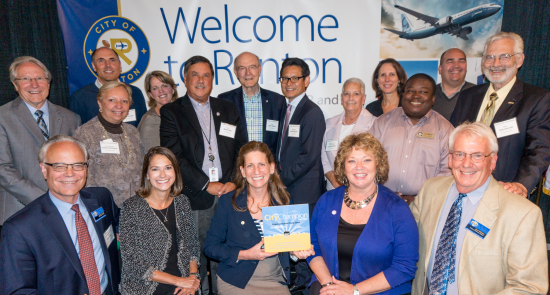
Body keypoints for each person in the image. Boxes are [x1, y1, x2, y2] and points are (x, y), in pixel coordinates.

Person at [411, 122, 548, 294]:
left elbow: (529, 287)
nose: (467, 164)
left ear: (493, 162)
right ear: (450, 159)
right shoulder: (429, 191)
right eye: (460, 154)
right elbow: (404, 243)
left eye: (477, 156)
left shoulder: (522, 214)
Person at [160, 55, 246, 295]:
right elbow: (173, 156)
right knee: (195, 253)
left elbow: (241, 147)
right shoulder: (171, 112)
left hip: (228, 193)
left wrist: (231, 181)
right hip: (195, 195)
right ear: (185, 79)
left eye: (206, 75)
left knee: (226, 248)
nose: (200, 80)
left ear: (212, 79)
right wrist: (206, 184)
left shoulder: (227, 109)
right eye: (195, 75)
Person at [0, 135, 120, 295]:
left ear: (86, 168)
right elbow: (17, 291)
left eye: (78, 165)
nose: (70, 173)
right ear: (44, 169)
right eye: (59, 166)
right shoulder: (19, 229)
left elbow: (122, 226)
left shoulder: (101, 199)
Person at [308, 133, 419, 295]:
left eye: (367, 160)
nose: (359, 167)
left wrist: (354, 291)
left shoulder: (397, 209)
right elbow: (312, 246)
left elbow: (405, 267)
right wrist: (329, 286)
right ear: (343, 166)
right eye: (352, 161)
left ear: (378, 165)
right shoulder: (326, 201)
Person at [450, 32, 550, 198]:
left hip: (505, 194)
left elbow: (539, 150)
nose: (495, 64)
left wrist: (521, 184)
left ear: (519, 60)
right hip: (462, 190)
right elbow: (452, 141)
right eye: (489, 57)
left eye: (504, 56)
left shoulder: (536, 99)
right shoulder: (467, 96)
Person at [204, 141, 309, 294]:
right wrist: (245, 254)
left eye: (261, 164)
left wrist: (295, 253)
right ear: (243, 171)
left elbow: (287, 248)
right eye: (250, 166)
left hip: (274, 279)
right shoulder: (229, 201)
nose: (256, 171)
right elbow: (210, 247)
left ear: (271, 168)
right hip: (236, 279)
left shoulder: (284, 201)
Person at [0, 56, 80, 228]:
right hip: (21, 212)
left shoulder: (71, 118)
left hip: (66, 210)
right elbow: (3, 168)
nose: (34, 85)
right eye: (26, 79)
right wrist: (46, 199)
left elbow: (78, 164)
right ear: (15, 85)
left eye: (40, 78)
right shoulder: (2, 117)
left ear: (49, 83)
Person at [119, 147, 201, 295]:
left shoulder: (182, 202)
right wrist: (178, 281)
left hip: (184, 281)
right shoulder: (132, 207)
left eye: (168, 168)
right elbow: (132, 262)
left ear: (175, 171)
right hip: (145, 286)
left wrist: (192, 278)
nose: (163, 174)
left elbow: (192, 245)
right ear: (147, 175)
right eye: (155, 169)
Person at [276, 57, 326, 294]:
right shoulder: (283, 109)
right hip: (287, 187)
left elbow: (308, 156)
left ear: (306, 81)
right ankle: (293, 280)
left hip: (302, 188)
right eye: (285, 78)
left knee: (304, 240)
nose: (289, 83)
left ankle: (305, 284)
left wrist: (279, 180)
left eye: (294, 78)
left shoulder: (312, 112)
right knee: (289, 238)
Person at [369, 74, 454, 204]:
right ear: (403, 94)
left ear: (433, 99)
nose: (415, 96)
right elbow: (367, 161)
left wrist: (419, 198)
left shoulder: (445, 129)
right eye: (410, 91)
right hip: (382, 201)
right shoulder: (382, 122)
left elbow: (448, 172)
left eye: (423, 92)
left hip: (425, 206)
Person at [74, 81, 144, 206]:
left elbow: (142, 169)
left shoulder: (133, 132)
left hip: (136, 208)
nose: (119, 105)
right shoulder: (85, 134)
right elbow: (83, 179)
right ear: (100, 103)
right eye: (112, 100)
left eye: (124, 101)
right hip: (105, 208)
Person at [218, 52, 286, 156]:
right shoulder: (225, 101)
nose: (248, 73)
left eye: (252, 67)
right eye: (242, 68)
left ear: (259, 69)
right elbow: (224, 140)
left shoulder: (277, 101)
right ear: (236, 72)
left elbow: (282, 141)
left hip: (268, 167)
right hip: (238, 168)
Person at [70, 47, 147, 126]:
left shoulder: (135, 93)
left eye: (112, 60)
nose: (108, 65)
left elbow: (143, 129)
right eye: (101, 61)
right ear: (94, 66)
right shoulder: (80, 98)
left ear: (120, 65)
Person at [322, 78, 375, 191]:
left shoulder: (375, 124)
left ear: (363, 98)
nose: (351, 98)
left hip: (363, 189)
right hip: (334, 189)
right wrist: (333, 179)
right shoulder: (329, 124)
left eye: (356, 94)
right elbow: (323, 158)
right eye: (347, 94)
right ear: (341, 98)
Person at [138, 71, 178, 151]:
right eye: (155, 88)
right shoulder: (150, 120)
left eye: (164, 86)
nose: (161, 91)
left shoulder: (182, 112)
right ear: (151, 94)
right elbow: (153, 157)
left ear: (173, 89)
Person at [432, 48, 475, 120]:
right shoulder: (428, 94)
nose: (456, 66)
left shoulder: (478, 94)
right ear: (440, 69)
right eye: (450, 61)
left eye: (461, 61)